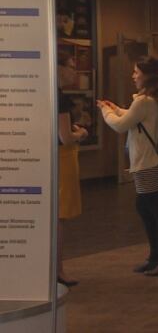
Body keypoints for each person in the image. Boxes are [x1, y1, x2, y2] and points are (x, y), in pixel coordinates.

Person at [97, 56, 158, 276]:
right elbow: (137, 120)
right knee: (148, 208)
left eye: (136, 72)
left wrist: (106, 111)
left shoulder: (144, 101)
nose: (133, 76)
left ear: (147, 75)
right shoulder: (155, 98)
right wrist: (116, 108)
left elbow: (120, 125)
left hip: (148, 163)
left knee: (155, 210)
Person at [56, 52, 88, 287]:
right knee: (60, 217)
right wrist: (81, 134)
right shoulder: (60, 97)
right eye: (70, 67)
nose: (74, 73)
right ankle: (59, 270)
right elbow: (65, 137)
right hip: (62, 160)